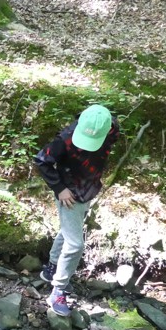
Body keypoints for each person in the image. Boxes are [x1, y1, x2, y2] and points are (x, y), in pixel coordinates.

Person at [33, 104, 120, 316]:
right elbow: (41, 161)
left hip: (88, 188)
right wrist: (60, 189)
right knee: (75, 244)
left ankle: (52, 268)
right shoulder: (65, 139)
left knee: (68, 230)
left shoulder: (111, 127)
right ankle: (58, 291)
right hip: (69, 194)